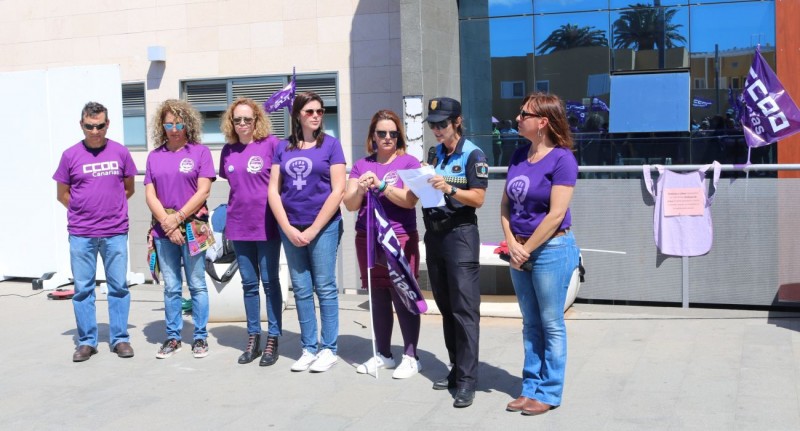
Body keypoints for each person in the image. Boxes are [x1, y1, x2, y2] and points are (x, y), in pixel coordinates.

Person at [500, 92, 580, 416]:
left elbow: (556, 214)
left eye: (524, 114)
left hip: (551, 250)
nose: (517, 118)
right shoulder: (519, 155)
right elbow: (505, 204)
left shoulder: (563, 159)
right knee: (530, 323)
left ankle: (549, 391)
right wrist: (511, 243)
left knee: (551, 323)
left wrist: (525, 249)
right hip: (519, 248)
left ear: (542, 122)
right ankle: (530, 386)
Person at [268, 92, 346, 373]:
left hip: (323, 227)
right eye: (310, 111)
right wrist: (287, 227)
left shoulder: (332, 146)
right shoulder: (282, 148)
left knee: (324, 286)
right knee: (301, 288)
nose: (316, 116)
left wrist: (313, 229)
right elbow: (273, 191)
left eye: (320, 111)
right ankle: (308, 347)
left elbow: (338, 190)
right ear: (298, 115)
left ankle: (329, 348)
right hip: (291, 226)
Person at [53, 101, 137, 362]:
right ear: (82, 125)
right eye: (90, 126)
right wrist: (84, 213)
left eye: (100, 125)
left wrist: (109, 209)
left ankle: (120, 338)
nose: (95, 131)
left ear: (107, 124)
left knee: (118, 287)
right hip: (82, 234)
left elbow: (129, 188)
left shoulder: (121, 153)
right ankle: (87, 341)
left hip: (114, 232)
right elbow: (62, 195)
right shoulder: (70, 155)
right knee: (83, 289)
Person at [343, 109, 422, 379]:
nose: (387, 137)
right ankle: (384, 354)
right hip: (368, 237)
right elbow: (350, 203)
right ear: (373, 137)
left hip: (399, 236)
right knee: (377, 295)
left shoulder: (410, 163)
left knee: (403, 294)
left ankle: (411, 356)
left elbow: (410, 200)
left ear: (398, 136)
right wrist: (361, 188)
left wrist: (382, 187)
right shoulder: (361, 164)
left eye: (392, 133)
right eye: (381, 133)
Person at [423, 97, 489, 408]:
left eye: (442, 124)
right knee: (446, 307)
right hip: (434, 235)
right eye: (433, 124)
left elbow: (478, 198)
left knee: (464, 310)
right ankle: (455, 368)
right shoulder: (434, 153)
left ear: (457, 122)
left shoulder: (473, 153)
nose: (437, 130)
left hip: (460, 234)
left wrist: (448, 188)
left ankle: (467, 381)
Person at [145, 99, 216, 359]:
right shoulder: (154, 156)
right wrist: (167, 221)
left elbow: (204, 190)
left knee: (197, 284)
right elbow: (150, 195)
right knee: (171, 287)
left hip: (193, 227)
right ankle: (173, 337)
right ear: (161, 126)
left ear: (188, 123)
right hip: (164, 230)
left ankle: (200, 337)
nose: (174, 129)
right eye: (169, 123)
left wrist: (179, 218)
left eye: (179, 123)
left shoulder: (200, 152)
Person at [219, 98, 283, 366]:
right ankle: (253, 336)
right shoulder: (228, 151)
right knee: (248, 284)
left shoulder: (271, 144)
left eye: (247, 119)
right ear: (231, 123)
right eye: (237, 120)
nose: (243, 124)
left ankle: (273, 338)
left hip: (267, 223)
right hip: (238, 225)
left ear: (257, 120)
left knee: (269, 283)